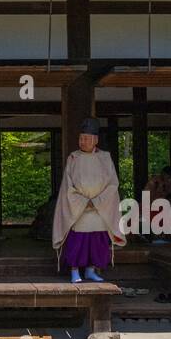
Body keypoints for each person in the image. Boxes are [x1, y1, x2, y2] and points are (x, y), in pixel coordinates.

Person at [52, 118, 126, 284]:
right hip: (79, 208)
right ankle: (74, 271)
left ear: (95, 140)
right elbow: (68, 186)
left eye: (86, 138)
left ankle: (91, 270)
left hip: (100, 208)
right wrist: (84, 202)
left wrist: (98, 201)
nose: (82, 142)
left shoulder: (105, 158)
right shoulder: (73, 158)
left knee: (97, 241)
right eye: (80, 138)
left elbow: (112, 184)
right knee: (77, 241)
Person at [145, 166, 171, 244]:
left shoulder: (169, 184)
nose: (169, 180)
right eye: (167, 177)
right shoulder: (154, 182)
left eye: (170, 178)